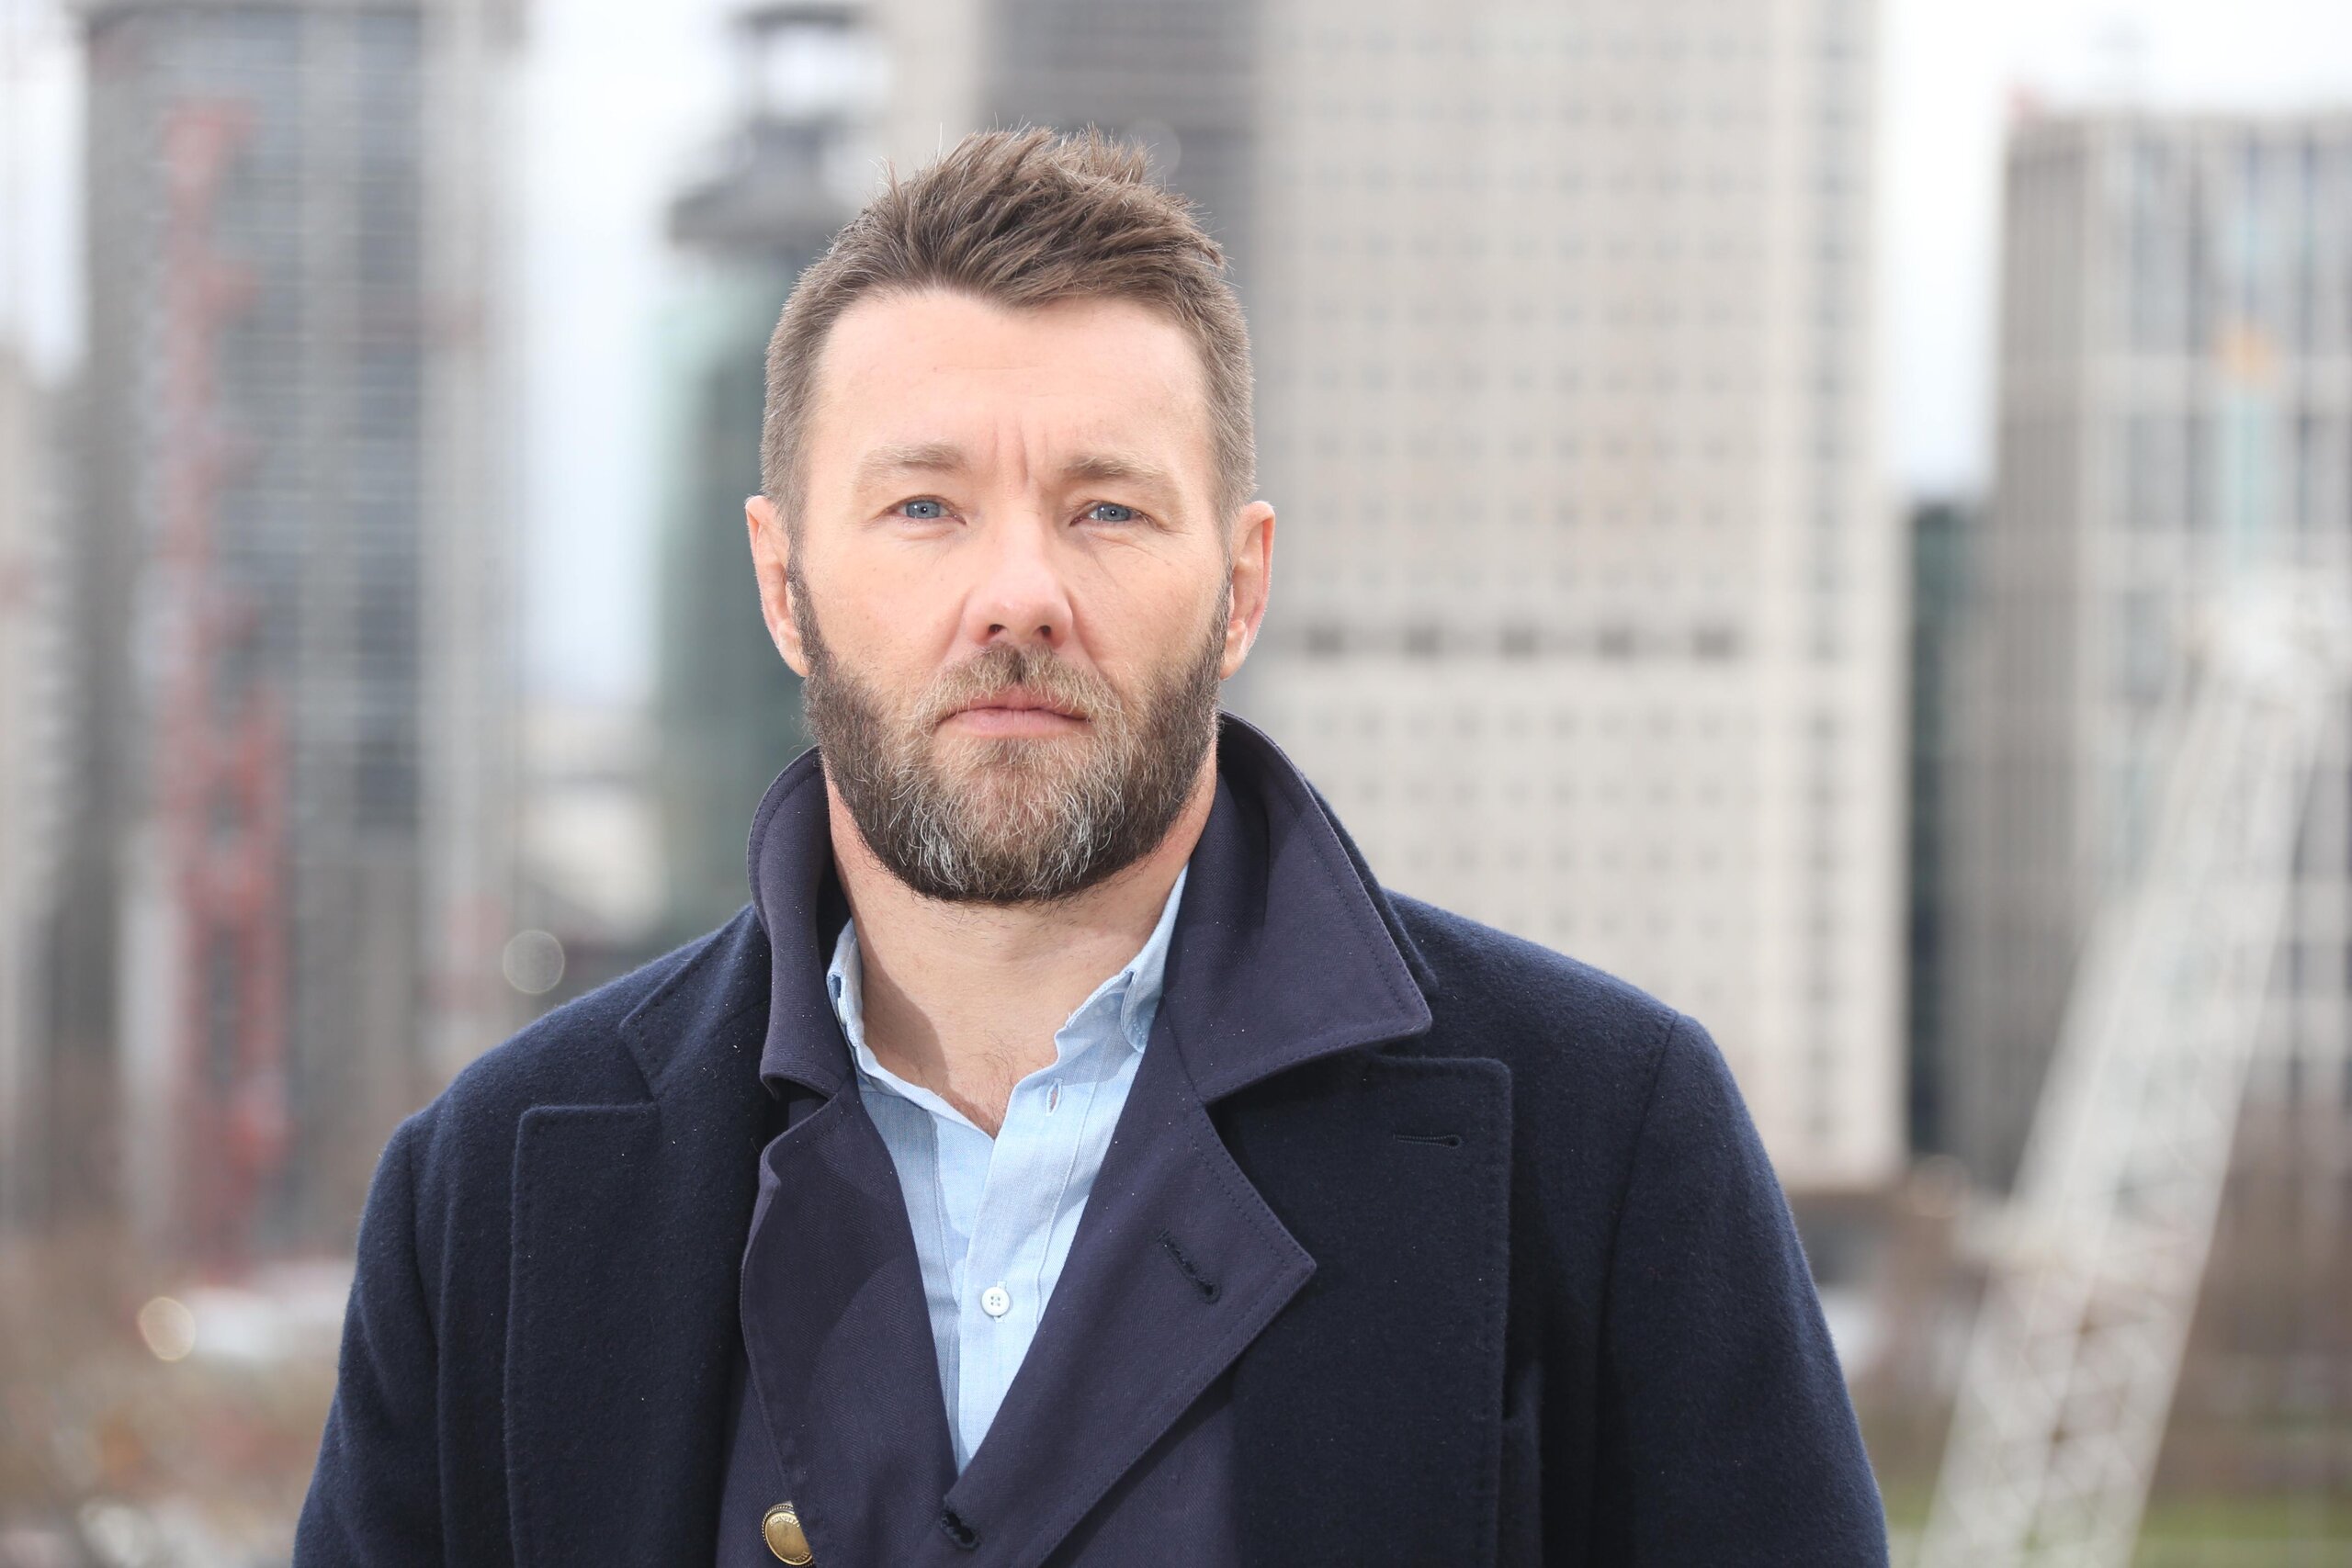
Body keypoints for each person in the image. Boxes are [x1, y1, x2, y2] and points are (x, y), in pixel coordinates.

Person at [296, 128, 1886, 1567]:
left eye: (1107, 510)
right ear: (783, 585)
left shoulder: (1611, 1142)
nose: (1019, 595)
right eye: (925, 508)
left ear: (1241, 588)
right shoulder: (484, 1191)